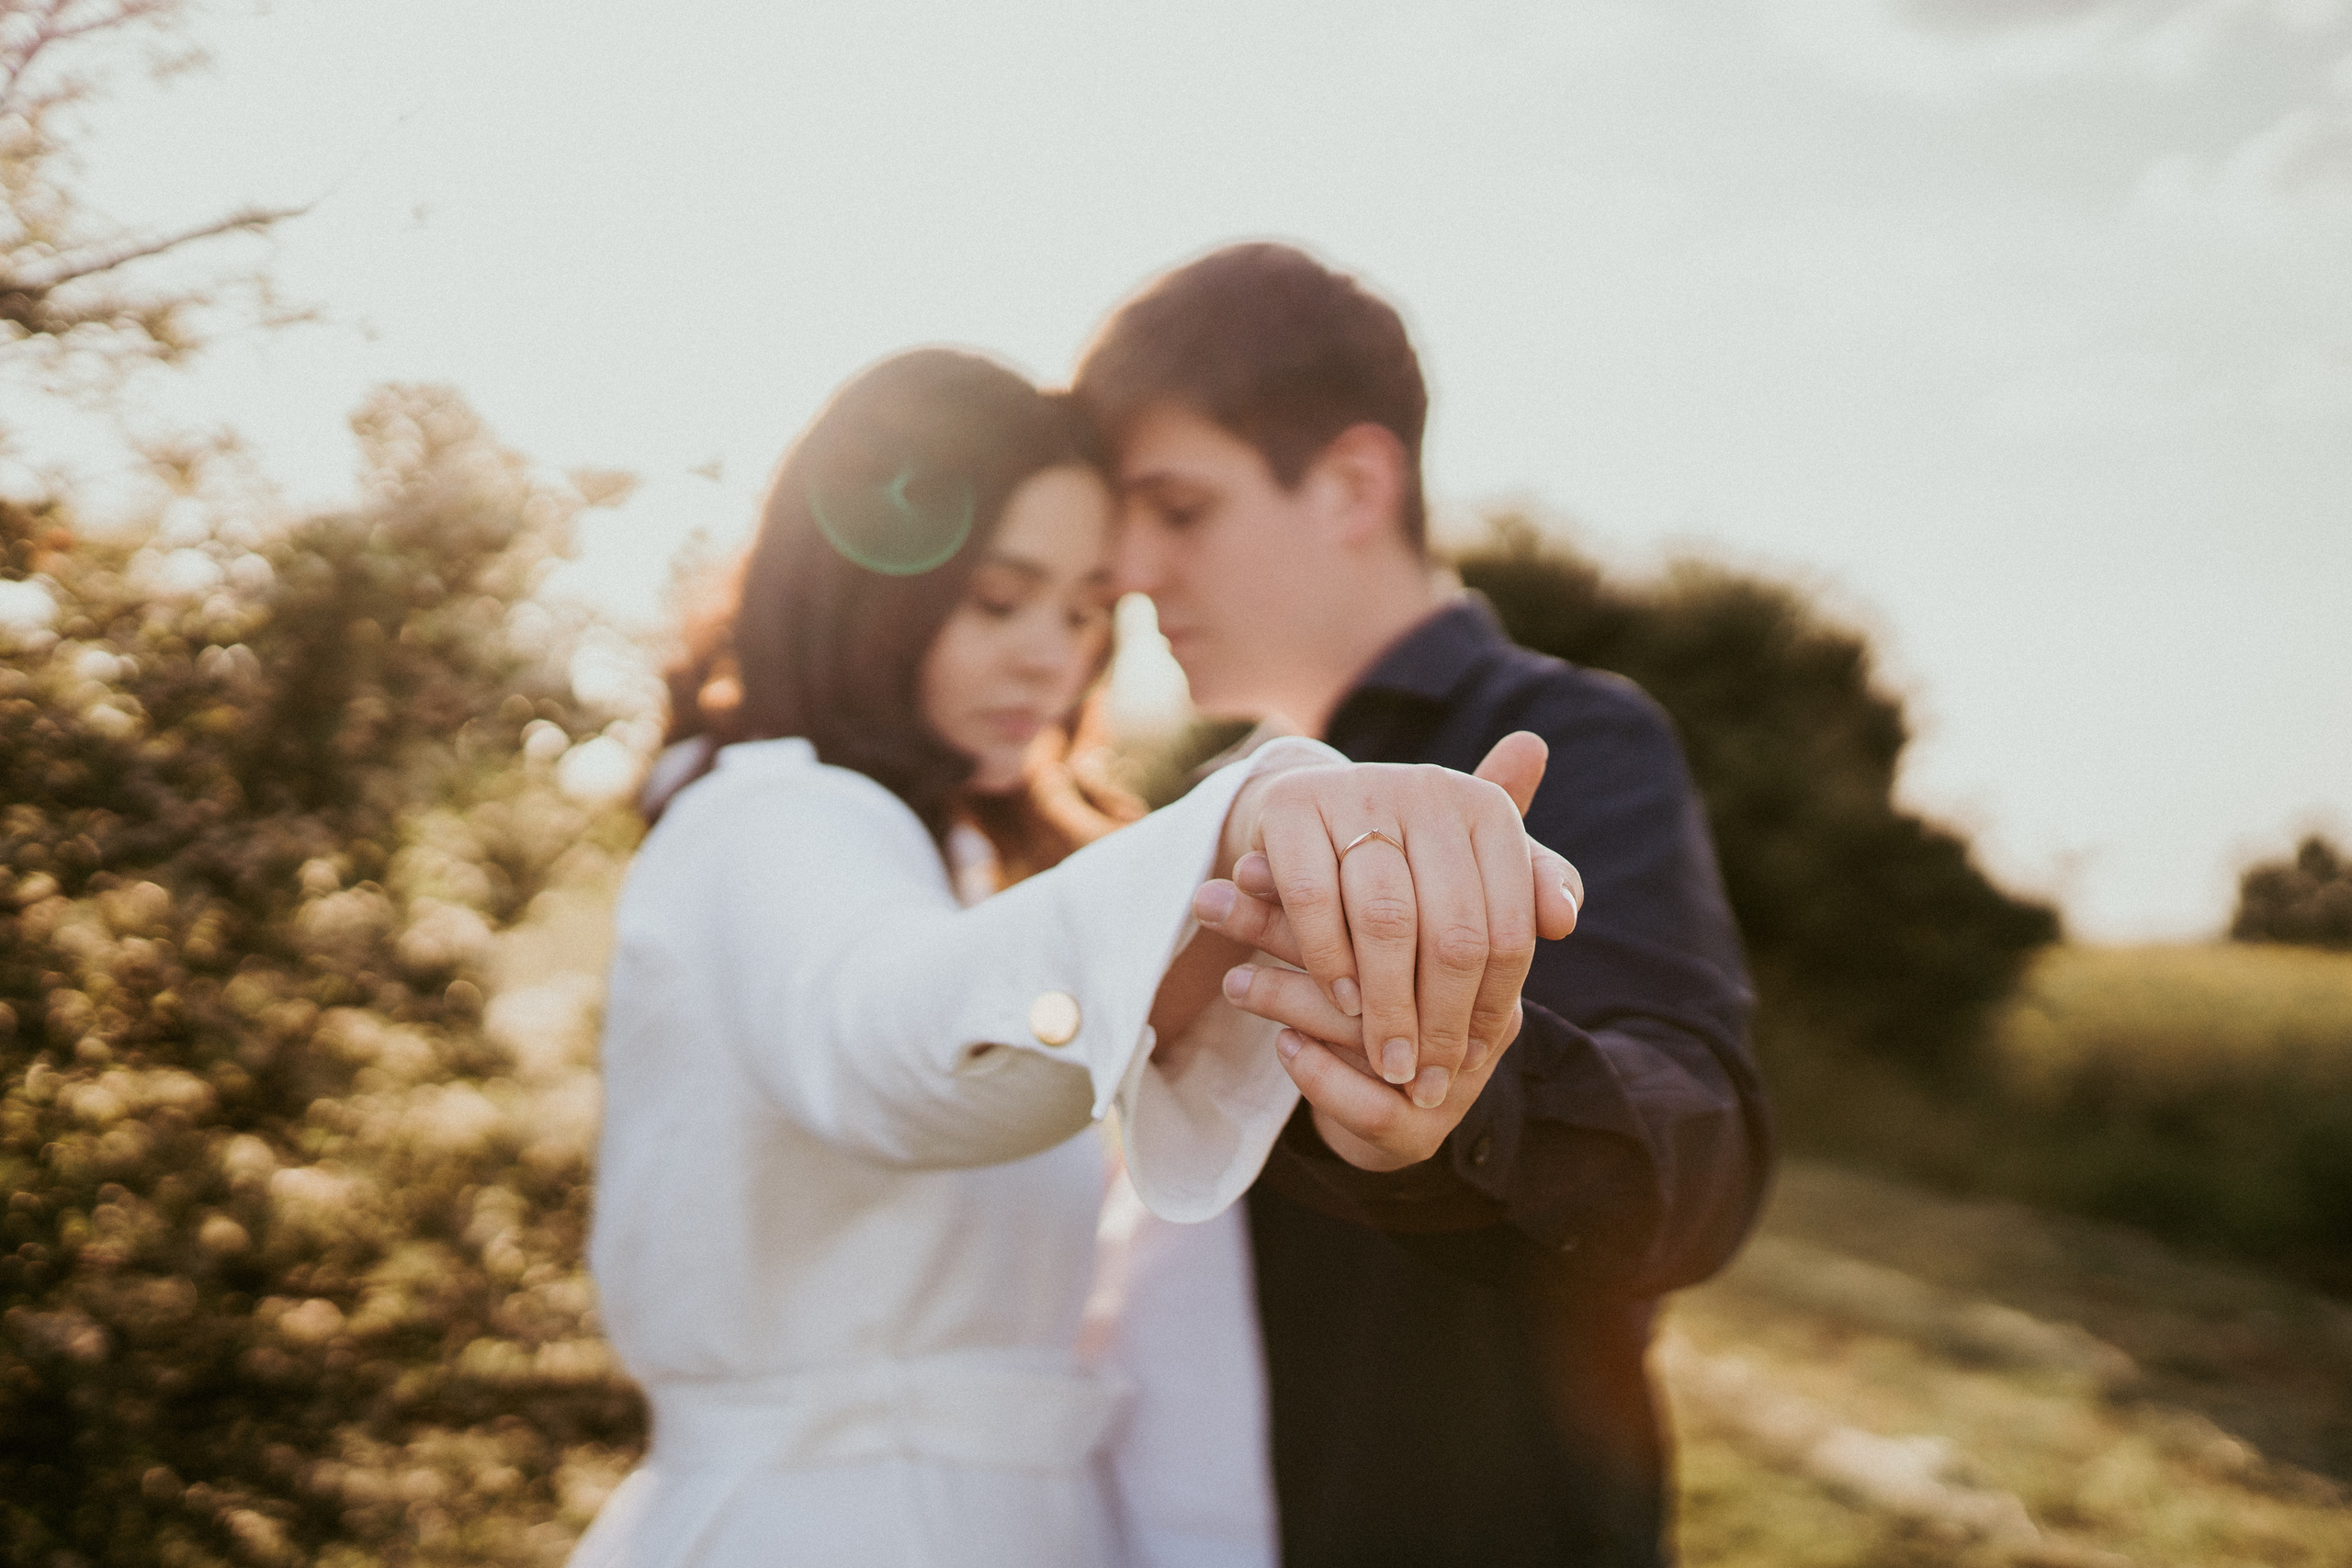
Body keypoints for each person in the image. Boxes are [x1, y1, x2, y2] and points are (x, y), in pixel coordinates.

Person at [571, 347, 1577, 1568]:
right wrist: (1244, 824)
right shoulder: (772, 816)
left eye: (1086, 610)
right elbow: (889, 1041)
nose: (1052, 656)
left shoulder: (947, 865)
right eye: (1001, 599)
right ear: (857, 583)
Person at [1072, 243, 1774, 1568]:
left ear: (1351, 484)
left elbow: (1704, 1148)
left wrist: (1470, 1100)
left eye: (1177, 507)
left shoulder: (1572, 738)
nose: (1127, 569)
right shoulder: (1218, 806)